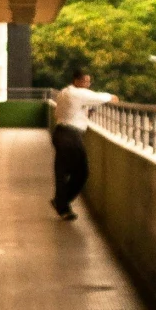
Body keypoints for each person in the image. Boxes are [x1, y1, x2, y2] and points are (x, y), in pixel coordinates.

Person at [50, 67, 115, 220]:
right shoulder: (78, 93)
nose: (87, 84)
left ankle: (62, 205)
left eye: (88, 81)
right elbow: (103, 97)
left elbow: (75, 108)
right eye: (85, 81)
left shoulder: (64, 92)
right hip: (70, 136)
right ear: (76, 80)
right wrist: (112, 96)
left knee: (62, 172)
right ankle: (61, 202)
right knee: (82, 172)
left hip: (60, 132)